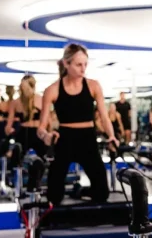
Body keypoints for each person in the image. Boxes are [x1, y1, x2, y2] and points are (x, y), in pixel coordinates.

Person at [37, 43, 119, 206]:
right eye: (79, 65)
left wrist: (111, 136)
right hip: (65, 139)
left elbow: (104, 117)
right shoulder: (52, 90)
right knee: (54, 195)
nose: (83, 69)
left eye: (85, 64)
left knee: (102, 192)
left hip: (88, 138)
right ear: (66, 64)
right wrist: (46, 136)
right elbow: (41, 127)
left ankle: (79, 192)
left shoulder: (93, 85)